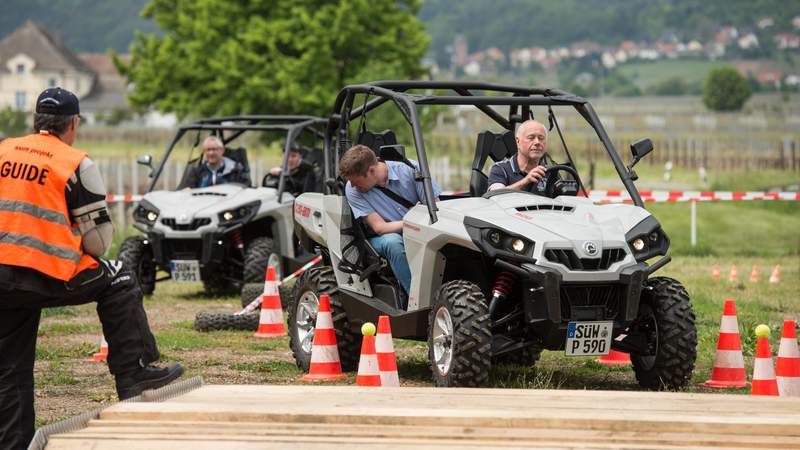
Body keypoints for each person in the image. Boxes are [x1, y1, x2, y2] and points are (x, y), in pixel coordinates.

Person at [0, 87, 183, 448]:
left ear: (35, 121)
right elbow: (98, 243)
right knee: (121, 277)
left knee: (10, 369)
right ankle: (132, 374)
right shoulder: (75, 163)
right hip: (42, 273)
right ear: (73, 123)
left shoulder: (3, 149)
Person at [339, 144, 441, 298]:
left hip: (421, 230)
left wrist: (417, 221)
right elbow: (380, 227)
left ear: (371, 171)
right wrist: (413, 218)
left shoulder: (411, 169)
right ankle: (417, 298)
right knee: (393, 242)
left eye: (356, 181)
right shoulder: (352, 190)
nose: (353, 185)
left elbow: (436, 209)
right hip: (382, 238)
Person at [487, 119, 550, 195]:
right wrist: (525, 181)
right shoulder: (500, 169)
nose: (537, 142)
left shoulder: (550, 172)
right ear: (518, 141)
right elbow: (495, 194)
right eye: (531, 137)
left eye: (541, 138)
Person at [179, 135, 251, 188]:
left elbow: (246, 189)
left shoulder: (236, 170)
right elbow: (188, 191)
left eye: (214, 149)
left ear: (222, 150)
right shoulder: (196, 171)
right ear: (204, 152)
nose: (211, 153)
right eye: (208, 150)